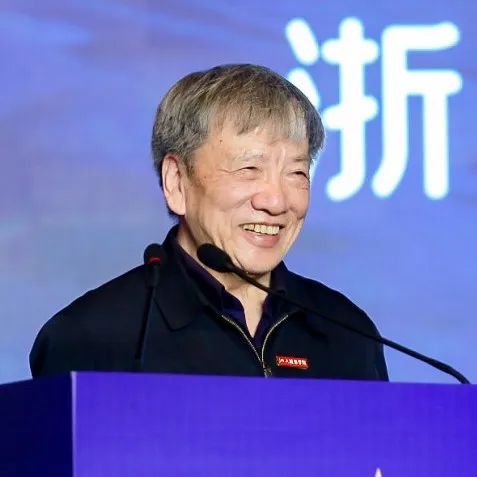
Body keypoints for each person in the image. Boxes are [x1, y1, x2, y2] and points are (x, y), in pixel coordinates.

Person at [30, 64, 388, 380]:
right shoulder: (94, 337)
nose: (277, 201)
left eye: (297, 172)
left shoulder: (347, 333)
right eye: (249, 168)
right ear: (176, 181)